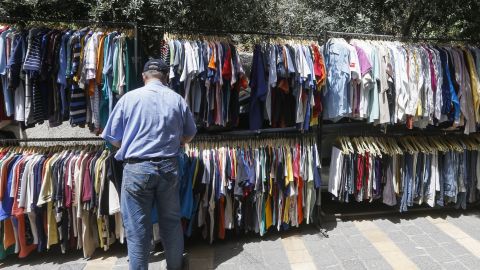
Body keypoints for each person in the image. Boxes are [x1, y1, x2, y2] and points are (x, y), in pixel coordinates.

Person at [102, 59, 197, 270]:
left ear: (144, 76)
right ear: (165, 78)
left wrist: (129, 141)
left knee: (137, 229)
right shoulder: (177, 100)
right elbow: (189, 135)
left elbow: (112, 138)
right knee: (171, 223)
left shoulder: (128, 99)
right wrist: (174, 140)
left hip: (136, 169)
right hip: (168, 167)